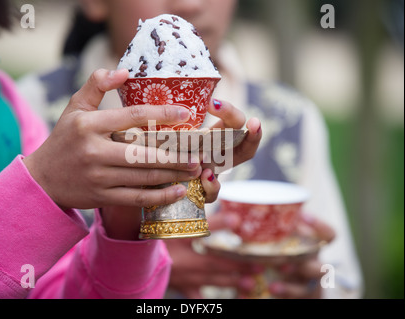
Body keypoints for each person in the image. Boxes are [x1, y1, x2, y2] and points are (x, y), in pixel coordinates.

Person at [18, 0, 363, 299]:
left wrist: (311, 284)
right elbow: (4, 278)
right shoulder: (27, 106)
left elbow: (343, 279)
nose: (189, 5)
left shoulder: (292, 120)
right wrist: (137, 256)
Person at [0, 0, 262, 298]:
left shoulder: (5, 105)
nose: (189, 4)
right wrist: (43, 183)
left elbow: (49, 291)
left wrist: (127, 214)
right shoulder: (29, 103)